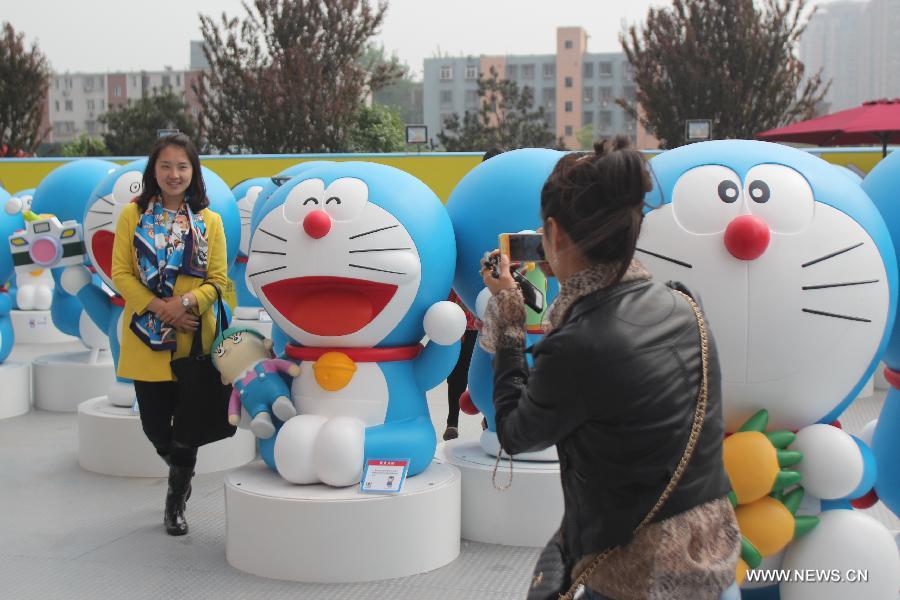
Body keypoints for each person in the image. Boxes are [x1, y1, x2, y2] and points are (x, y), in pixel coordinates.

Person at [479, 137, 740, 600]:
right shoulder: (683, 304)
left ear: (554, 234)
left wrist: (512, 323)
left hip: (634, 573)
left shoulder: (580, 344)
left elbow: (517, 433)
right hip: (713, 559)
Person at [111, 134, 229, 536]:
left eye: (182, 166)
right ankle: (182, 469)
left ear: (193, 172)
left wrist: (187, 303)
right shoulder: (133, 216)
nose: (174, 174)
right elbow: (121, 273)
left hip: (193, 336)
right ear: (153, 171)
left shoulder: (209, 221)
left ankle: (175, 500)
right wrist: (163, 308)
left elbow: (218, 281)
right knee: (156, 427)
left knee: (189, 425)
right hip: (147, 336)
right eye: (166, 166)